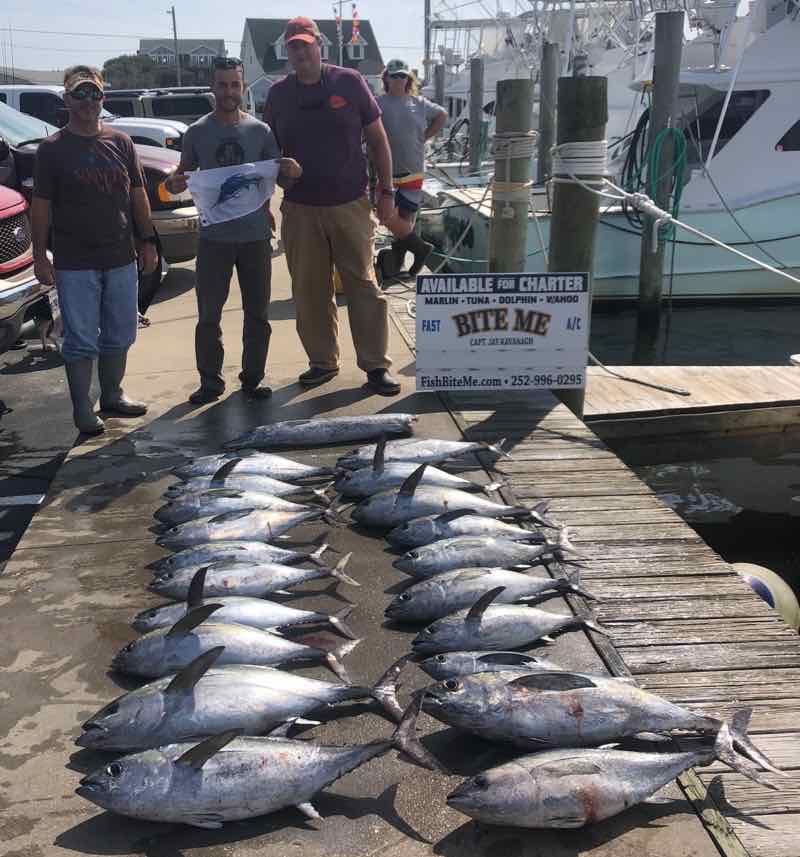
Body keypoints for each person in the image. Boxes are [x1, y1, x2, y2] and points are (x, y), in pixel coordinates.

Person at [264, 16, 401, 396]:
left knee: (363, 284)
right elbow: (267, 151)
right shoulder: (277, 94)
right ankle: (322, 361)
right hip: (299, 207)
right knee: (309, 290)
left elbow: (378, 139)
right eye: (294, 46)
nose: (301, 51)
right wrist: (274, 178)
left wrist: (386, 192)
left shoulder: (349, 82)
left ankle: (375, 365)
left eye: (306, 44)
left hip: (350, 203)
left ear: (319, 45)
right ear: (287, 52)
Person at [165, 57, 302, 405]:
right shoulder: (197, 132)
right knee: (208, 315)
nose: (229, 91)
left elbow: (279, 176)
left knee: (258, 313)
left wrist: (292, 171)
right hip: (213, 240)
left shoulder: (261, 132)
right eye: (222, 84)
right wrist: (174, 182)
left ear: (242, 87)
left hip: (256, 238)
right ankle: (210, 381)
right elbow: (181, 175)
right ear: (213, 88)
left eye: (235, 85)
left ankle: (253, 378)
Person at [31, 65, 157, 435]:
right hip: (75, 264)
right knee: (82, 339)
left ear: (103, 98)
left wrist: (147, 241)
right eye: (80, 94)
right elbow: (41, 206)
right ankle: (82, 409)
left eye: (95, 94)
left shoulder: (122, 142)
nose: (88, 101)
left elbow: (138, 196)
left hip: (121, 257)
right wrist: (40, 254)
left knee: (121, 332)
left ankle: (113, 395)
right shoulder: (52, 150)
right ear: (67, 99)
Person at [375, 59, 447, 281]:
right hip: (385, 172)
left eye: (402, 75)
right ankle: (420, 249)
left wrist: (424, 137)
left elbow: (442, 115)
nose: (398, 79)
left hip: (413, 169)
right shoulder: (377, 102)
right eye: (394, 75)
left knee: (406, 220)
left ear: (408, 79)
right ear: (386, 78)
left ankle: (398, 266)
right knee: (386, 216)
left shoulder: (419, 102)